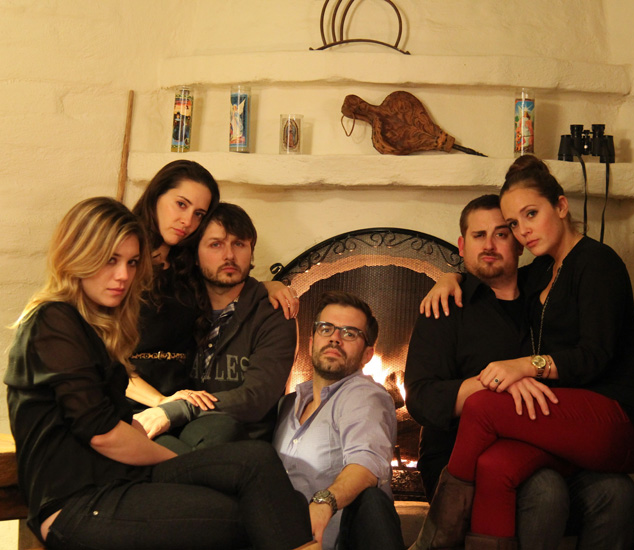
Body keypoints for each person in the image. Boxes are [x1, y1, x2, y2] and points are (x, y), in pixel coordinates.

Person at [4, 197, 319, 550]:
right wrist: (186, 463)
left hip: (119, 478)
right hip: (78, 503)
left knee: (258, 462)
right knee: (260, 512)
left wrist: (269, 286)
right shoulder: (53, 321)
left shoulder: (94, 325)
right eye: (110, 260)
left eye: (131, 262)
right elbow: (102, 435)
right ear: (77, 255)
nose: (123, 275)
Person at [410, 155, 634, 550]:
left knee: (488, 410)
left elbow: (594, 354)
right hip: (500, 443)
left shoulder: (568, 271)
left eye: (506, 230)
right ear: (462, 245)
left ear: (560, 207)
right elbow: (421, 398)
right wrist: (450, 275)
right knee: (502, 463)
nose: (495, 242)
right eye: (481, 235)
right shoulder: (450, 305)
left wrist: (521, 368)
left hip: (601, 414)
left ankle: (433, 540)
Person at [126, 160, 297, 414]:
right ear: (155, 196)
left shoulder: (184, 269)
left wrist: (266, 286)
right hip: (136, 401)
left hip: (178, 405)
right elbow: (103, 355)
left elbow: (225, 279)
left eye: (199, 214)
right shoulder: (124, 263)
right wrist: (161, 403)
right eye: (181, 204)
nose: (187, 221)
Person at [134, 202, 298, 452]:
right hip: (171, 428)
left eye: (239, 244)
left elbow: (256, 398)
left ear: (251, 252)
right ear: (195, 255)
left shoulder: (273, 313)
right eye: (216, 244)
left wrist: (176, 410)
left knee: (220, 431)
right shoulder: (176, 304)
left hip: (238, 440)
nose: (229, 256)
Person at [273, 291, 405, 550]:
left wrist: (325, 502)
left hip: (339, 543)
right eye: (326, 328)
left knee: (372, 499)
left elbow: (367, 462)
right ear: (312, 341)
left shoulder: (364, 396)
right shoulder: (288, 404)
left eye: (350, 333)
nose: (335, 338)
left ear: (368, 354)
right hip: (281, 538)